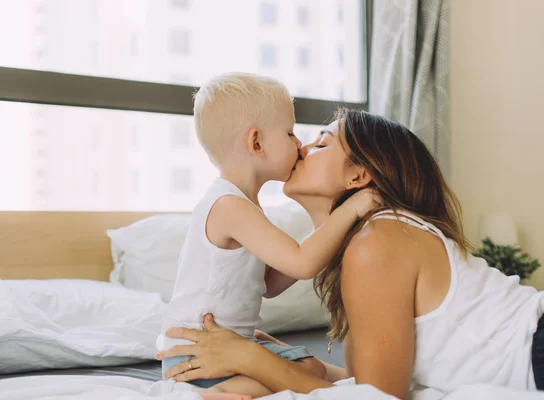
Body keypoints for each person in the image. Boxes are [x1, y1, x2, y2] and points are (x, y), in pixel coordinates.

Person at [157, 108, 544, 399]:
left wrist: (251, 359)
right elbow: (367, 382)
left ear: (358, 176)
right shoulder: (365, 241)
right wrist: (285, 358)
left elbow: (378, 398)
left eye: (322, 143)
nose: (302, 147)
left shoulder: (377, 239)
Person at [157, 76, 381, 399]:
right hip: (197, 351)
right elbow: (303, 262)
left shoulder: (244, 206)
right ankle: (207, 393)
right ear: (256, 143)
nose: (299, 145)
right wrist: (349, 212)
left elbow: (270, 284)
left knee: (307, 365)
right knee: (299, 374)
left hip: (223, 343)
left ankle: (338, 379)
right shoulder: (229, 207)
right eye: (290, 134)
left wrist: (325, 237)